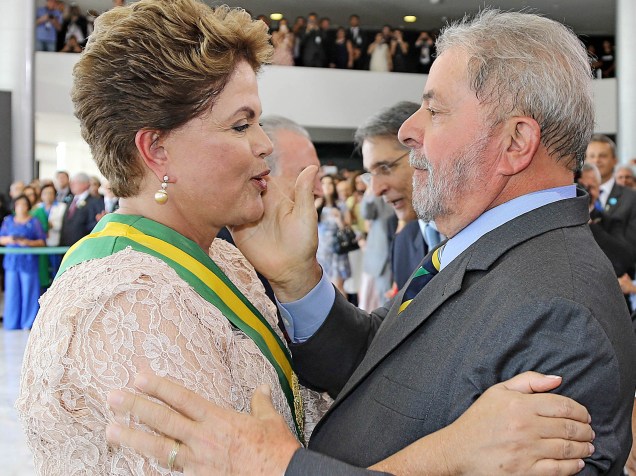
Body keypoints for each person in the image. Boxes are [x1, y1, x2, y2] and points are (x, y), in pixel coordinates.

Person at [107, 9, 635, 475]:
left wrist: (276, 468)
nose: (408, 130)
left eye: (435, 110)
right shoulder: (495, 250)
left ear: (515, 143)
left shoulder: (561, 316)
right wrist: (298, 280)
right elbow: (384, 367)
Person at [16, 1, 331, 473]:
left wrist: (296, 280)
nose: (264, 143)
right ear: (157, 151)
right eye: (241, 124)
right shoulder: (129, 302)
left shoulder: (227, 258)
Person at [0, 195, 46, 329]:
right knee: (12, 292)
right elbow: (1, 238)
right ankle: (12, 322)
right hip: (12, 261)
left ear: (28, 206)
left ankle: (28, 322)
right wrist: (11, 240)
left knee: (29, 292)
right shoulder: (8, 221)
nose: (21, 207)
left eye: (23, 204)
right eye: (18, 204)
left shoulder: (34, 222)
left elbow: (41, 241)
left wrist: (27, 242)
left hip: (29, 261)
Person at [59, 172, 104, 246]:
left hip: (83, 247)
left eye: (75, 182)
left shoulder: (94, 202)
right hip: (66, 248)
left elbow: (94, 224)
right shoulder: (71, 200)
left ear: (85, 184)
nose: (71, 185)